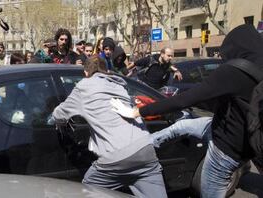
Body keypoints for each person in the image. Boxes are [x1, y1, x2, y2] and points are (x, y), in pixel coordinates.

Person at [111, 24, 263, 198]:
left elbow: (183, 100)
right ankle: (143, 144)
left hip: (224, 150)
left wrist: (137, 112)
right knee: (181, 126)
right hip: (240, 139)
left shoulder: (235, 71)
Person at [52, 56, 166, 197]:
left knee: (86, 191)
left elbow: (59, 115)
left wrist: (58, 121)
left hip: (115, 158)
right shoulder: (119, 86)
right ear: (106, 71)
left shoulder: (84, 87)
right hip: (145, 150)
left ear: (86, 73)